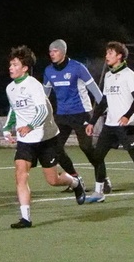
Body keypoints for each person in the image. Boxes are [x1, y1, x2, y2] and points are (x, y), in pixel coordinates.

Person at [2, 46, 87, 229]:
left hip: (46, 138)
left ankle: (75, 182)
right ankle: (25, 218)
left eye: (15, 65)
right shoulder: (10, 88)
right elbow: (14, 110)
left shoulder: (34, 86)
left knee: (52, 180)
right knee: (20, 175)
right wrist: (7, 128)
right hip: (25, 142)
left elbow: (43, 111)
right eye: (10, 64)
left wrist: (30, 126)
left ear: (25, 68)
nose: (11, 67)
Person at [84, 41, 134, 207]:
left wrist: (126, 116)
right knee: (97, 157)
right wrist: (92, 122)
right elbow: (103, 102)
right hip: (109, 126)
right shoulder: (108, 76)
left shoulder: (128, 74)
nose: (107, 56)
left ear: (119, 56)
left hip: (127, 126)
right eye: (106, 53)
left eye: (110, 53)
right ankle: (99, 192)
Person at [41, 39, 105, 191]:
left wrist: (105, 109)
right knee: (55, 149)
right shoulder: (48, 71)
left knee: (86, 148)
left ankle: (103, 179)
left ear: (63, 52)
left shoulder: (78, 67)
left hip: (81, 113)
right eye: (50, 51)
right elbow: (44, 96)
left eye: (55, 51)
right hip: (62, 115)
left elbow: (95, 91)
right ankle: (75, 178)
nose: (52, 54)